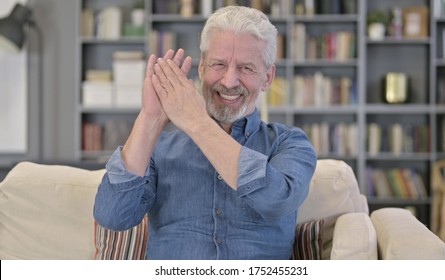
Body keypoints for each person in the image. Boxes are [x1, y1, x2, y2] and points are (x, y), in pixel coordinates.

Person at [93, 5, 317, 260]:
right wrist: (150, 117)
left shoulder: (289, 143)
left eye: (246, 68)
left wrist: (197, 122)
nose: (230, 81)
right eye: (219, 64)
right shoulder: (159, 148)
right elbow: (112, 216)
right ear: (201, 69)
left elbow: (277, 199)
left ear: (267, 77)